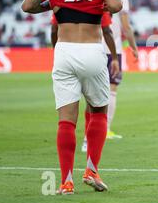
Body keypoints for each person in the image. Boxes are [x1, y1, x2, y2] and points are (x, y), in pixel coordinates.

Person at [21, 0, 122, 195]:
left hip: (64, 51)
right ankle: (91, 170)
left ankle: (66, 182)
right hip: (91, 49)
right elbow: (116, 5)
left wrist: (53, 4)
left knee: (66, 120)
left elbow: (27, 5)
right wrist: (99, 3)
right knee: (98, 111)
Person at [50, 12, 120, 152]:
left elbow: (53, 28)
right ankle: (89, 151)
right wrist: (115, 58)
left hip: (66, 54)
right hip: (93, 54)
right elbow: (107, 29)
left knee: (67, 112)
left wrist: (56, 50)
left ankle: (67, 173)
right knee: (95, 104)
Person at [98, 0, 139, 141]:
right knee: (112, 90)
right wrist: (134, 47)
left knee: (94, 92)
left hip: (92, 47)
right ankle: (105, 129)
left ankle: (92, 131)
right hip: (112, 50)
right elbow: (126, 27)